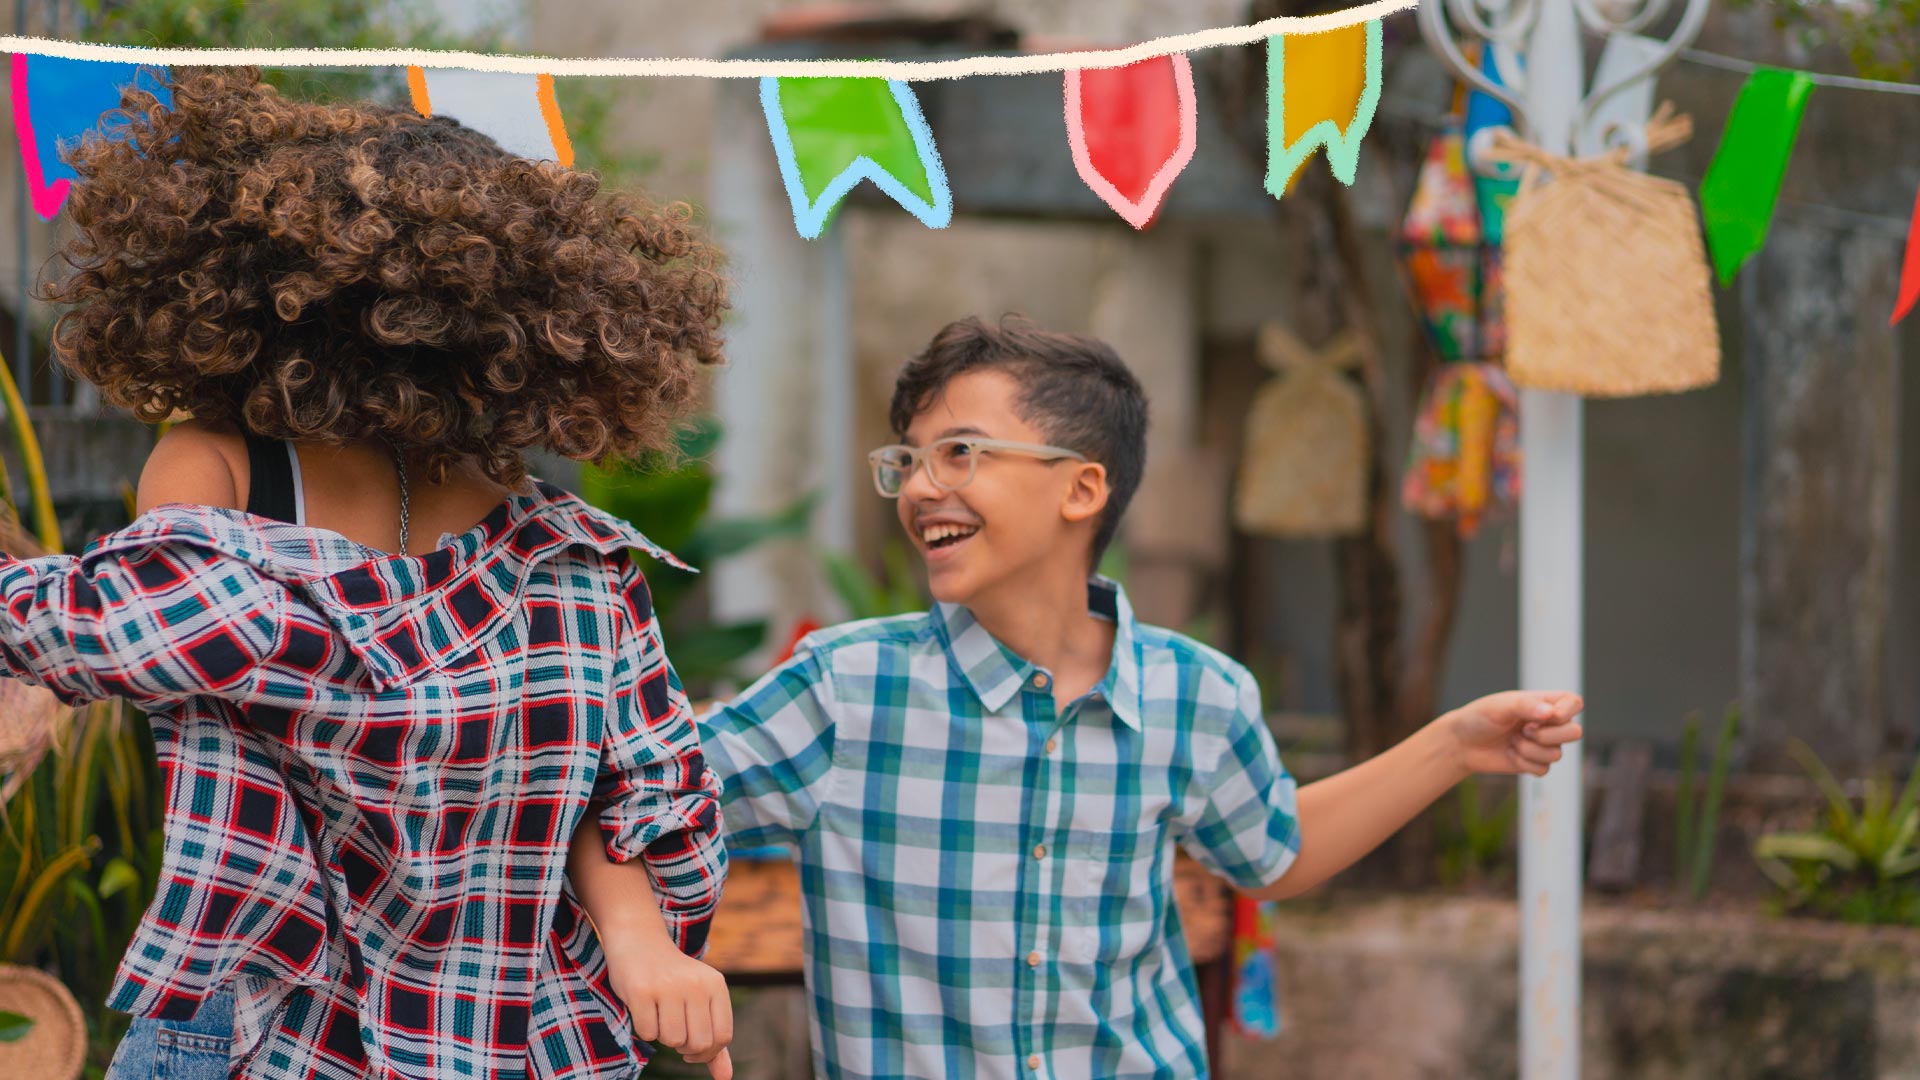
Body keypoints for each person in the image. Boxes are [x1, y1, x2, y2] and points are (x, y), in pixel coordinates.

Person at [572, 315, 1584, 1079]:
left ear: (1082, 489)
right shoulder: (846, 689)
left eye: (962, 452)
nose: (924, 487)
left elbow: (1275, 850)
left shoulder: (1198, 697)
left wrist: (1452, 745)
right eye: (910, 462)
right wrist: (640, 944)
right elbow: (615, 789)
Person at [0, 67, 735, 1079]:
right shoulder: (557, 553)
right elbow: (635, 783)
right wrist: (641, 941)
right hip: (321, 1026)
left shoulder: (561, 556)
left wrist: (641, 944)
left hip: (460, 1032)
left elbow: (157, 623)